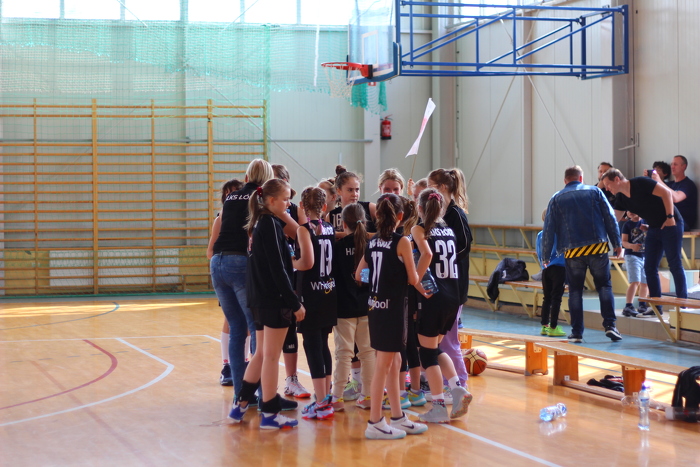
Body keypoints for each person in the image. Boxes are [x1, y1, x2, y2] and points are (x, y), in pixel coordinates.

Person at [228, 178, 306, 430]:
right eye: (285, 199)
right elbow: (278, 268)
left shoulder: (258, 223)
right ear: (271, 200)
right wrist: (294, 302)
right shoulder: (270, 224)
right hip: (273, 299)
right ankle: (270, 413)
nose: (288, 204)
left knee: (261, 354)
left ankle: (240, 405)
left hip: (260, 299)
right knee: (271, 356)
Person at [355, 193, 429, 440]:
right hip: (392, 309)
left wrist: (380, 280)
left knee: (395, 361)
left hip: (376, 306)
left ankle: (397, 416)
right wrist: (413, 272)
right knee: (384, 366)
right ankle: (375, 421)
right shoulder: (402, 242)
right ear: (400, 216)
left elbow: (359, 275)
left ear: (377, 216)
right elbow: (413, 278)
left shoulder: (373, 241)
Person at [210, 159, 274, 398]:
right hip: (240, 263)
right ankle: (262, 392)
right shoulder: (260, 198)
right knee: (256, 327)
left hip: (218, 263)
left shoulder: (231, 198)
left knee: (237, 328)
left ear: (246, 177)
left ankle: (240, 392)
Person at [541, 165, 622, 343]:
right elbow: (610, 217)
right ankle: (610, 326)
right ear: (581, 178)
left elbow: (548, 229)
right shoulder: (595, 192)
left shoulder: (556, 198)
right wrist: (617, 243)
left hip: (572, 251)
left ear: (565, 180)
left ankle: (577, 332)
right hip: (597, 247)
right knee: (604, 287)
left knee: (575, 291)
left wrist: (545, 256)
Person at [412, 188, 472, 423]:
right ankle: (457, 388)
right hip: (452, 297)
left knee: (427, 355)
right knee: (435, 349)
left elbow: (426, 255)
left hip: (434, 297)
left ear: (419, 208)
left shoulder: (420, 229)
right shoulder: (448, 230)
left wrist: (414, 280)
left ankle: (438, 406)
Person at [603, 168, 688, 308]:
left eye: (608, 184)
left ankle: (682, 304)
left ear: (617, 179)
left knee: (674, 264)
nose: (607, 188)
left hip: (671, 223)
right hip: (653, 227)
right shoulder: (621, 198)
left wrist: (670, 217)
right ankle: (656, 306)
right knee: (649, 267)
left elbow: (666, 193)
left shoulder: (640, 183)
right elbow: (613, 220)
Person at [294, 187, 337, 420]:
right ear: (324, 207)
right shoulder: (329, 227)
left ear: (302, 206)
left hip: (311, 294)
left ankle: (321, 403)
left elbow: (307, 263)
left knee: (312, 347)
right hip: (329, 291)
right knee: (323, 345)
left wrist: (290, 260)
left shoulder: (304, 229)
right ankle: (326, 396)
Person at [427, 168, 471, 391]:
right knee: (441, 339)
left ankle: (460, 384)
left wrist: (444, 260)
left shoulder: (456, 214)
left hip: (454, 287)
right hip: (443, 286)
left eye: (431, 187)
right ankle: (446, 382)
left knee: (449, 340)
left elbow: (464, 245)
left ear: (442, 187)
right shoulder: (439, 215)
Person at [330, 203, 376, 411]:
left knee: (343, 354)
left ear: (343, 224)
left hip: (344, 307)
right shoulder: (371, 247)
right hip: (367, 306)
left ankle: (337, 398)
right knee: (368, 353)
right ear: (365, 222)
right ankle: (367, 396)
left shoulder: (338, 247)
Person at [272, 164, 311, 400]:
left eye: (280, 180)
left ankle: (291, 379)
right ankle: (261, 386)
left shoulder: (294, 209)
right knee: (264, 334)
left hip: (292, 274)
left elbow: (302, 235)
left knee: (290, 329)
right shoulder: (261, 214)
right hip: (269, 279)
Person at [206, 178, 243, 386]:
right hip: (227, 271)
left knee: (248, 323)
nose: (232, 196)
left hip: (244, 272)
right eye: (228, 193)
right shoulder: (221, 218)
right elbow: (210, 251)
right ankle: (227, 365)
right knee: (231, 319)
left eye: (236, 191)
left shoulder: (248, 217)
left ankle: (244, 364)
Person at [535, 208, 567, 337]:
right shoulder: (561, 233)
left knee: (547, 297)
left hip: (545, 268)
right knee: (556, 298)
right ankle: (554, 326)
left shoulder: (540, 234)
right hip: (559, 268)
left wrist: (543, 265)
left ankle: (544, 325)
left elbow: (539, 252)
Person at [327, 165, 377, 236]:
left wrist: (339, 234)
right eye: (350, 190)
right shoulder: (330, 216)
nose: (355, 194)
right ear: (339, 191)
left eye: (357, 190)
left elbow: (385, 234)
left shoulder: (371, 208)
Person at [653, 155, 697, 231]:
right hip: (667, 218)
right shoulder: (669, 184)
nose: (672, 167)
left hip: (682, 221)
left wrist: (659, 181)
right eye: (671, 164)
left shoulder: (688, 184)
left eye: (675, 164)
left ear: (683, 167)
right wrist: (648, 180)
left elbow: (676, 198)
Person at [620, 212, 650, 317]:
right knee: (635, 281)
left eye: (633, 210)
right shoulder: (627, 225)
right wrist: (632, 246)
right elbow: (624, 241)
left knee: (645, 282)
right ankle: (628, 306)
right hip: (632, 255)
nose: (630, 213)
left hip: (645, 255)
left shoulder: (646, 221)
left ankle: (642, 304)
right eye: (628, 211)